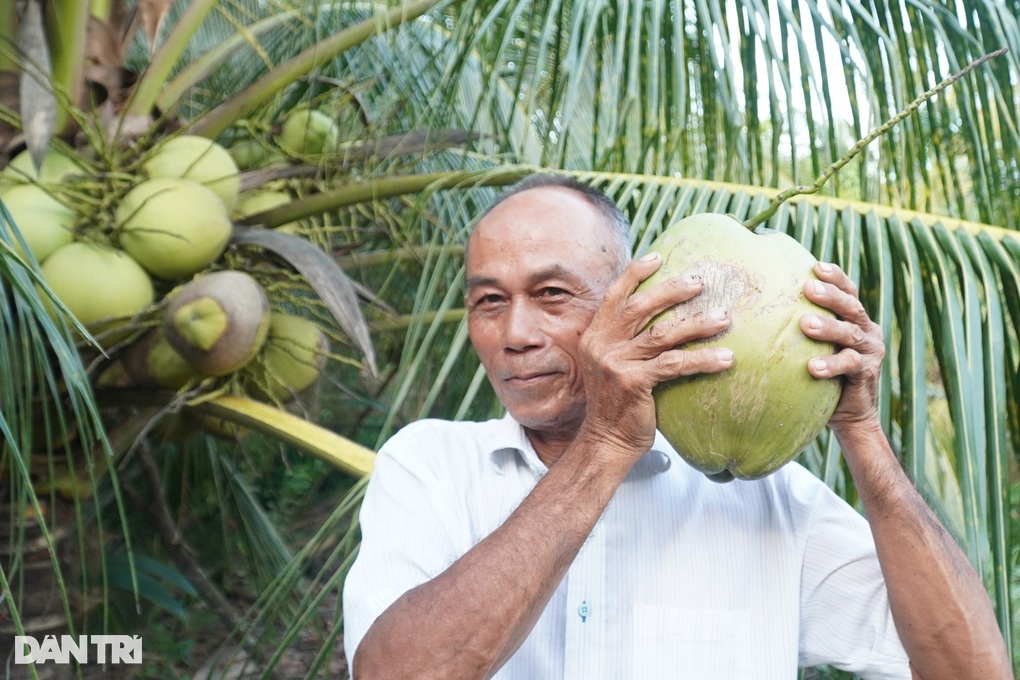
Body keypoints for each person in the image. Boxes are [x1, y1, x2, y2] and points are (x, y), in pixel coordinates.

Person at [342, 174, 1011, 679]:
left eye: (552, 295)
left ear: (637, 304)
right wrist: (604, 447)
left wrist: (861, 428)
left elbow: (973, 671)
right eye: (489, 301)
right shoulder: (429, 465)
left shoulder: (772, 503)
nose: (514, 334)